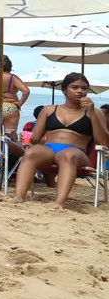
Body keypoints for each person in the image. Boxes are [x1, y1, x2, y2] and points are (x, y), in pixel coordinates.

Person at [9, 72, 109, 209]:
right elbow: (35, 139)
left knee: (67, 155)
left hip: (76, 152)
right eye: (75, 87)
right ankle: (19, 197)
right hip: (50, 150)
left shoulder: (95, 112)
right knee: (32, 152)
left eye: (84, 88)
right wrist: (26, 137)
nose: (80, 91)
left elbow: (103, 142)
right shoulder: (49, 110)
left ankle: (59, 203)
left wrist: (92, 114)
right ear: (64, 90)